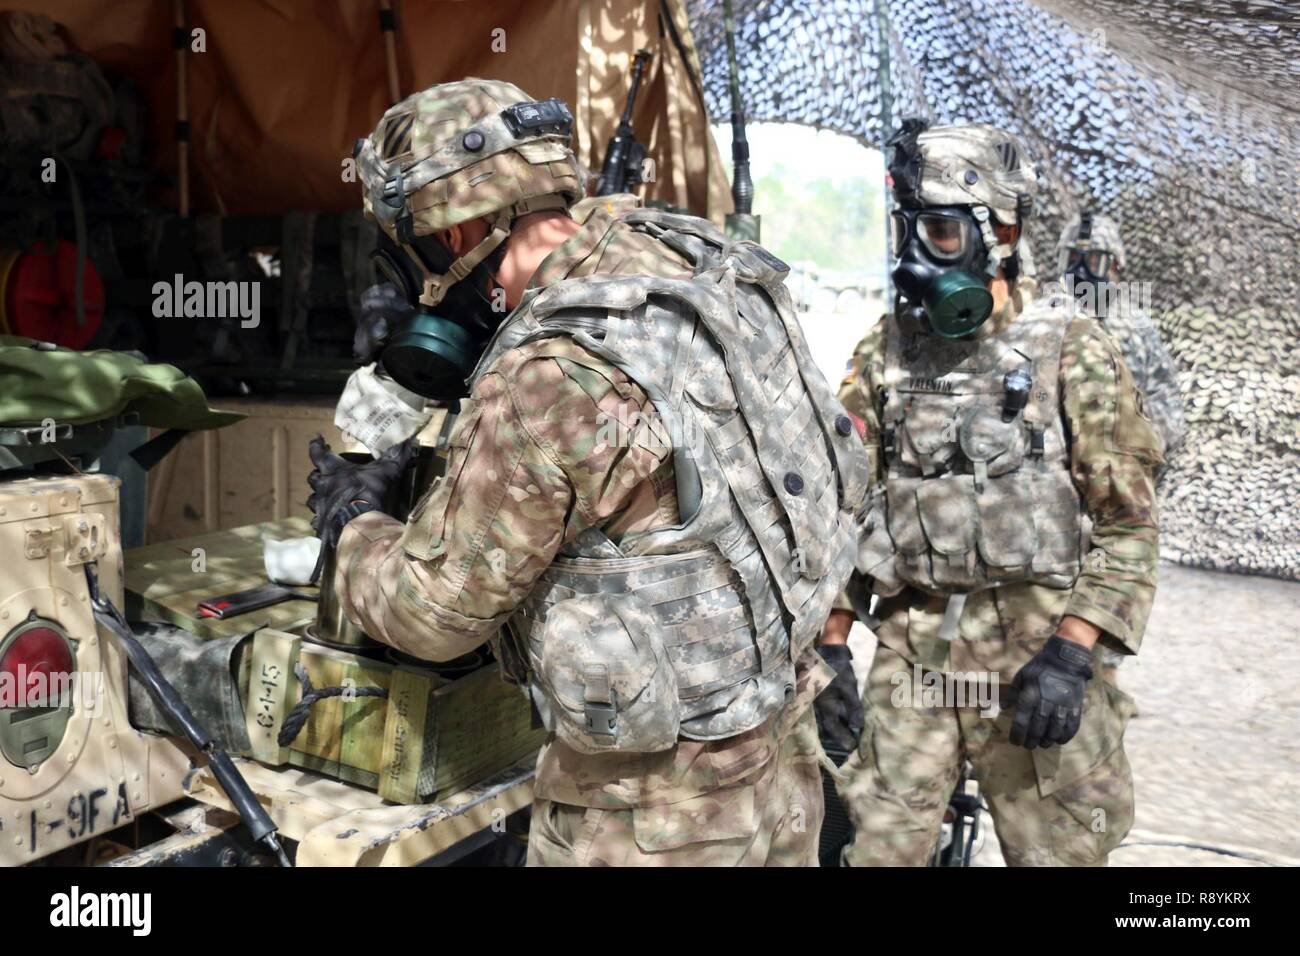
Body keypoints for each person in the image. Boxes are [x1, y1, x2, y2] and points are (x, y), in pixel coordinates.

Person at [306, 79, 869, 866]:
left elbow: (431, 615)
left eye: (412, 247)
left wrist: (352, 523)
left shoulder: (550, 372)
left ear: (460, 224)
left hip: (651, 814)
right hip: (779, 756)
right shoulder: (695, 264)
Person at [825, 119, 1162, 866]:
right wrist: (830, 648)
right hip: (916, 659)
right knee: (872, 848)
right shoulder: (885, 351)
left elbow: (1129, 523)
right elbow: (843, 506)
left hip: (1038, 663)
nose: (917, 252)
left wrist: (1074, 655)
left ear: (1002, 228)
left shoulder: (1069, 346)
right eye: (908, 229)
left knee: (1059, 855)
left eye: (940, 231)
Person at [1058, 211, 1187, 457]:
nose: (1080, 271)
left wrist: (1136, 444)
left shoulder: (1135, 327)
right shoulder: (1044, 319)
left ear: (1114, 266)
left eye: (1094, 262)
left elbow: (1167, 404)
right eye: (1072, 259)